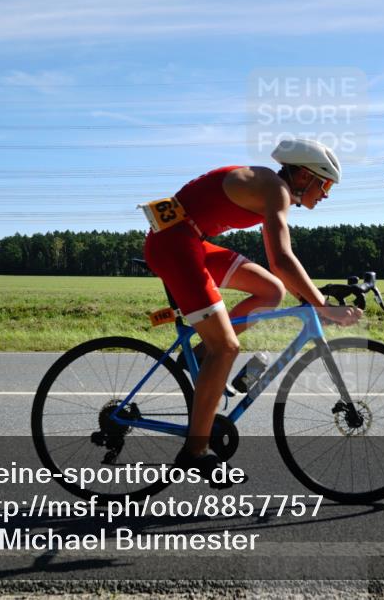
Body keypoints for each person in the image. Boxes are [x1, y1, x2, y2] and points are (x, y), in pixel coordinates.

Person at [142, 138, 363, 487]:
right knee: (227, 348)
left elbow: (280, 274)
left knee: (270, 290)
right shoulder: (275, 189)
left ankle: (201, 355)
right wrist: (321, 305)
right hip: (176, 245)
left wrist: (314, 298)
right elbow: (282, 260)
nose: (327, 194)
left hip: (191, 241)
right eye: (326, 185)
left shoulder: (270, 186)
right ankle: (195, 453)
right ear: (305, 176)